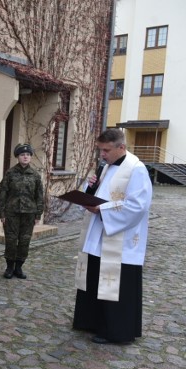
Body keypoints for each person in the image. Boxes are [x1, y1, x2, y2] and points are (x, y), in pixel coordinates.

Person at [73, 129, 152, 344]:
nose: (102, 155)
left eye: (106, 150)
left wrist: (103, 210)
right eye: (100, 150)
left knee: (115, 284)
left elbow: (138, 206)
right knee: (95, 277)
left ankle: (115, 331)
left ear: (121, 147)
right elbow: (102, 193)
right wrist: (90, 188)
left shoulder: (136, 170)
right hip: (99, 234)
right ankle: (92, 322)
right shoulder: (106, 167)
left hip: (121, 240)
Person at [0, 143, 43, 279]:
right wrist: (2, 213)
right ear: (18, 157)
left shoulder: (35, 175)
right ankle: (9, 267)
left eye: (28, 155)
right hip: (12, 213)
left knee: (24, 241)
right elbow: (2, 194)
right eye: (23, 155)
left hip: (29, 214)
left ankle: (19, 267)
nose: (25, 157)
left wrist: (38, 214)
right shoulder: (10, 173)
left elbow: (39, 196)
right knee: (11, 241)